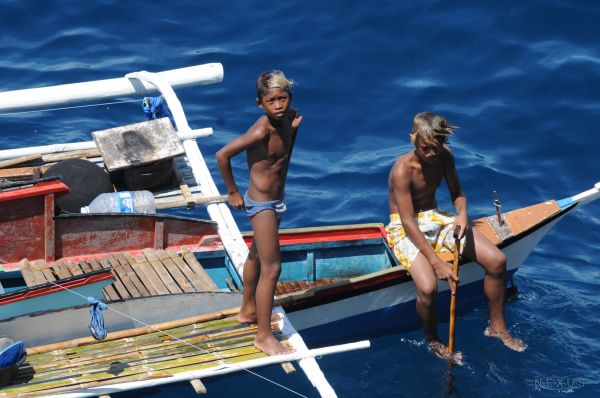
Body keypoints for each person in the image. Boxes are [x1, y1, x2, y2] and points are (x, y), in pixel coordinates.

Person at [386, 112, 526, 360]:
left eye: (436, 147)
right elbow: (408, 222)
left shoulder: (445, 156)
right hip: (404, 228)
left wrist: (462, 215)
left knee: (497, 261)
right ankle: (432, 340)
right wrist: (436, 262)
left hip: (435, 217)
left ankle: (496, 327)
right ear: (413, 141)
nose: (431, 153)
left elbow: (458, 194)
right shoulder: (401, 170)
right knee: (428, 288)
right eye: (425, 148)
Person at [216, 70, 302, 356]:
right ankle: (264, 337)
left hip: (277, 201)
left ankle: (248, 310)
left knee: (255, 254)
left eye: (283, 98)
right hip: (261, 204)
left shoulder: (291, 118)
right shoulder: (260, 129)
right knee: (273, 268)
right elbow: (223, 155)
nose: (278, 105)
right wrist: (232, 191)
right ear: (260, 104)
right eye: (271, 101)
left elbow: (283, 158)